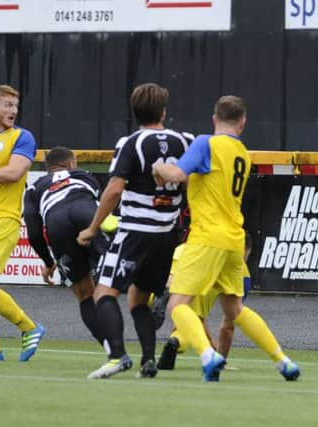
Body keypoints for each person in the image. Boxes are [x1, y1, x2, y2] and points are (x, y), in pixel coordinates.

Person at [152, 95, 300, 382]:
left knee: (177, 305)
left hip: (208, 236)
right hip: (235, 240)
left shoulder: (206, 143)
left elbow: (177, 174)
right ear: (242, 123)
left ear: (213, 119)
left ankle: (209, 356)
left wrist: (158, 167)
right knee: (235, 309)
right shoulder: (242, 152)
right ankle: (283, 361)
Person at [77, 83, 190, 379]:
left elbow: (114, 190)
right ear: (164, 111)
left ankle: (117, 356)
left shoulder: (132, 143)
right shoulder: (185, 140)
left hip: (136, 231)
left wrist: (92, 228)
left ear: (133, 112)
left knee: (103, 292)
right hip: (168, 233)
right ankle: (148, 362)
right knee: (138, 298)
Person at [0, 84, 45, 362]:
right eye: (7, 105)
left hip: (2, 220)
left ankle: (28, 327)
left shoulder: (22, 137)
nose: (13, 111)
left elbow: (14, 173)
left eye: (15, 106)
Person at [23, 146, 108, 349]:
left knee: (84, 293)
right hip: (84, 210)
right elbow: (106, 203)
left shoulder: (34, 188)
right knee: (112, 277)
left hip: (56, 221)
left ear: (47, 168)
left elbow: (34, 234)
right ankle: (148, 296)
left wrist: (48, 262)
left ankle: (112, 348)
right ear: (71, 163)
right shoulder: (83, 175)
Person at [156, 230, 253, 370]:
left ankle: (173, 339)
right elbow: (227, 329)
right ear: (245, 250)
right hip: (208, 269)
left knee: (181, 318)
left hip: (185, 255)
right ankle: (182, 344)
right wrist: (218, 356)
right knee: (195, 318)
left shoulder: (185, 247)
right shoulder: (240, 271)